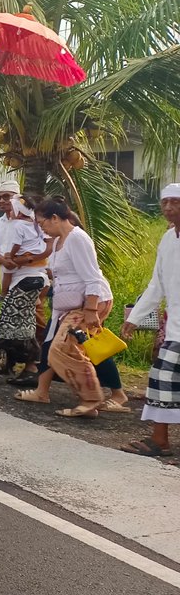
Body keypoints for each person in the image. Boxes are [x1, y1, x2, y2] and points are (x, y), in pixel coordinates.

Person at [34, 197, 118, 417]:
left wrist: (91, 311)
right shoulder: (59, 241)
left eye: (42, 223)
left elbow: (92, 278)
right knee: (63, 349)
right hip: (72, 305)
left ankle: (91, 400)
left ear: (55, 217)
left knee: (62, 349)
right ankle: (89, 400)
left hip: (90, 302)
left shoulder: (77, 239)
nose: (41, 228)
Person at [122, 184, 180, 457]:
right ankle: (160, 441)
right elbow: (156, 285)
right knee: (161, 382)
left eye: (175, 202)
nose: (169, 208)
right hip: (175, 331)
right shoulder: (167, 240)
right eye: (165, 202)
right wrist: (134, 318)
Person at [0, 195, 51, 384]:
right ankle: (18, 364)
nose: (5, 204)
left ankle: (31, 366)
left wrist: (12, 258)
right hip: (37, 279)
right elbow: (46, 248)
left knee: (15, 325)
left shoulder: (17, 226)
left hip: (23, 281)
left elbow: (11, 255)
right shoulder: (35, 224)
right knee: (23, 323)